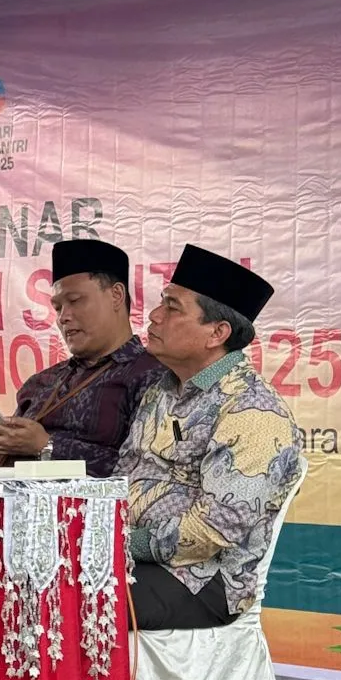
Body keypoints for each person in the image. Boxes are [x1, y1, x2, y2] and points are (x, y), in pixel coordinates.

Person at [115, 245, 304, 630]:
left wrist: (123, 544)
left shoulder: (254, 412)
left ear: (217, 333)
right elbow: (126, 474)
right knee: (30, 580)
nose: (154, 315)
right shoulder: (161, 390)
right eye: (162, 302)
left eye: (172, 307)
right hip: (135, 556)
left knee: (76, 601)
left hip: (203, 580)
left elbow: (216, 529)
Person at [0, 239, 164, 477]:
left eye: (75, 301)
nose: (63, 317)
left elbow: (145, 471)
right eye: (57, 307)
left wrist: (47, 445)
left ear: (116, 295)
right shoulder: (41, 383)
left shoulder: (152, 376)